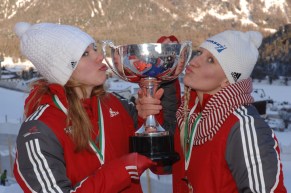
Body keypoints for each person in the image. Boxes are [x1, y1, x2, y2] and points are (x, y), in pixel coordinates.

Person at [12, 21, 181, 193]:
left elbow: (162, 165)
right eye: (85, 54)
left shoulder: (115, 104)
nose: (99, 56)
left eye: (94, 48)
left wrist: (150, 114)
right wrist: (121, 171)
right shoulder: (38, 130)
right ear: (63, 69)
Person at [137, 30, 287, 192]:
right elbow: (163, 166)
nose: (194, 62)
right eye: (199, 53)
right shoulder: (190, 116)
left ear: (227, 80)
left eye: (210, 60)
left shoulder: (243, 127)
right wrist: (151, 117)